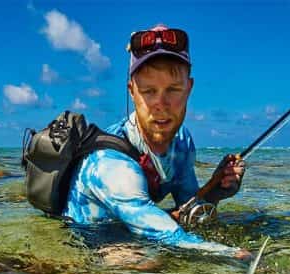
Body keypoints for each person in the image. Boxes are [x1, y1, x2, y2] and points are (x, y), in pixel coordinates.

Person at [64, 25, 249, 260]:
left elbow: (188, 209)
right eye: (149, 91)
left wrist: (216, 190)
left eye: (173, 89)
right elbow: (168, 235)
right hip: (88, 240)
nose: (161, 104)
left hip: (136, 226)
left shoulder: (181, 141)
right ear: (132, 91)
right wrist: (234, 254)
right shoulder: (111, 164)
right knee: (146, 261)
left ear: (189, 88)